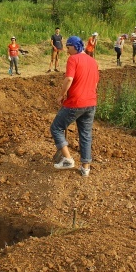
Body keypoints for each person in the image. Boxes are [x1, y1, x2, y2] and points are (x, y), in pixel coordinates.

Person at [51, 36, 100, 177]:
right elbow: (95, 83)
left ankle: (67, 159)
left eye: (68, 47)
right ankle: (85, 168)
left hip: (76, 102)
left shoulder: (73, 59)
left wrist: (61, 95)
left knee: (56, 127)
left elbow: (69, 79)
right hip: (91, 103)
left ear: (75, 46)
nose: (67, 51)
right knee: (85, 134)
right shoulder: (93, 61)